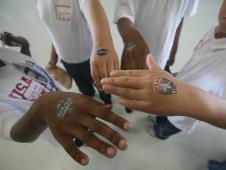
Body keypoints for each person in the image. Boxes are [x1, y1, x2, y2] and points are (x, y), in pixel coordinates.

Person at [0, 46, 130, 166]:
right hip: (57, 127)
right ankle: (82, 142)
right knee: (79, 136)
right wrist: (41, 106)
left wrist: (25, 46)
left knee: (88, 124)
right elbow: (15, 133)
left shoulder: (5, 53)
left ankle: (85, 134)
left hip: (65, 102)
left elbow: (31, 70)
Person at [114, 0, 198, 112]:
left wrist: (174, 46)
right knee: (130, 83)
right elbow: (122, 13)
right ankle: (129, 105)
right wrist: (129, 36)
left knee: (153, 83)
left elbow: (181, 15)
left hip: (164, 50)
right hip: (135, 51)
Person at [35, 0, 119, 104]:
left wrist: (102, 42)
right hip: (67, 61)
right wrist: (53, 59)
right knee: (85, 90)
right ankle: (91, 98)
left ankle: (107, 100)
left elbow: (91, 3)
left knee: (103, 88)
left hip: (91, 59)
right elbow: (55, 30)